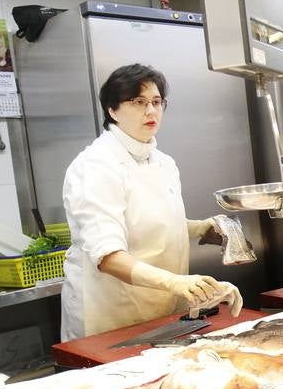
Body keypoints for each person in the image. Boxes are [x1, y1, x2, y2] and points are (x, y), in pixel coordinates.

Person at [61, 63, 242, 341]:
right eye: (138, 102)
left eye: (156, 102)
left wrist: (200, 229)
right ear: (112, 110)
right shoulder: (95, 166)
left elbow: (150, 221)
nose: (150, 111)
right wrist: (174, 282)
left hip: (164, 307)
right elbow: (107, 256)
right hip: (113, 315)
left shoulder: (162, 162)